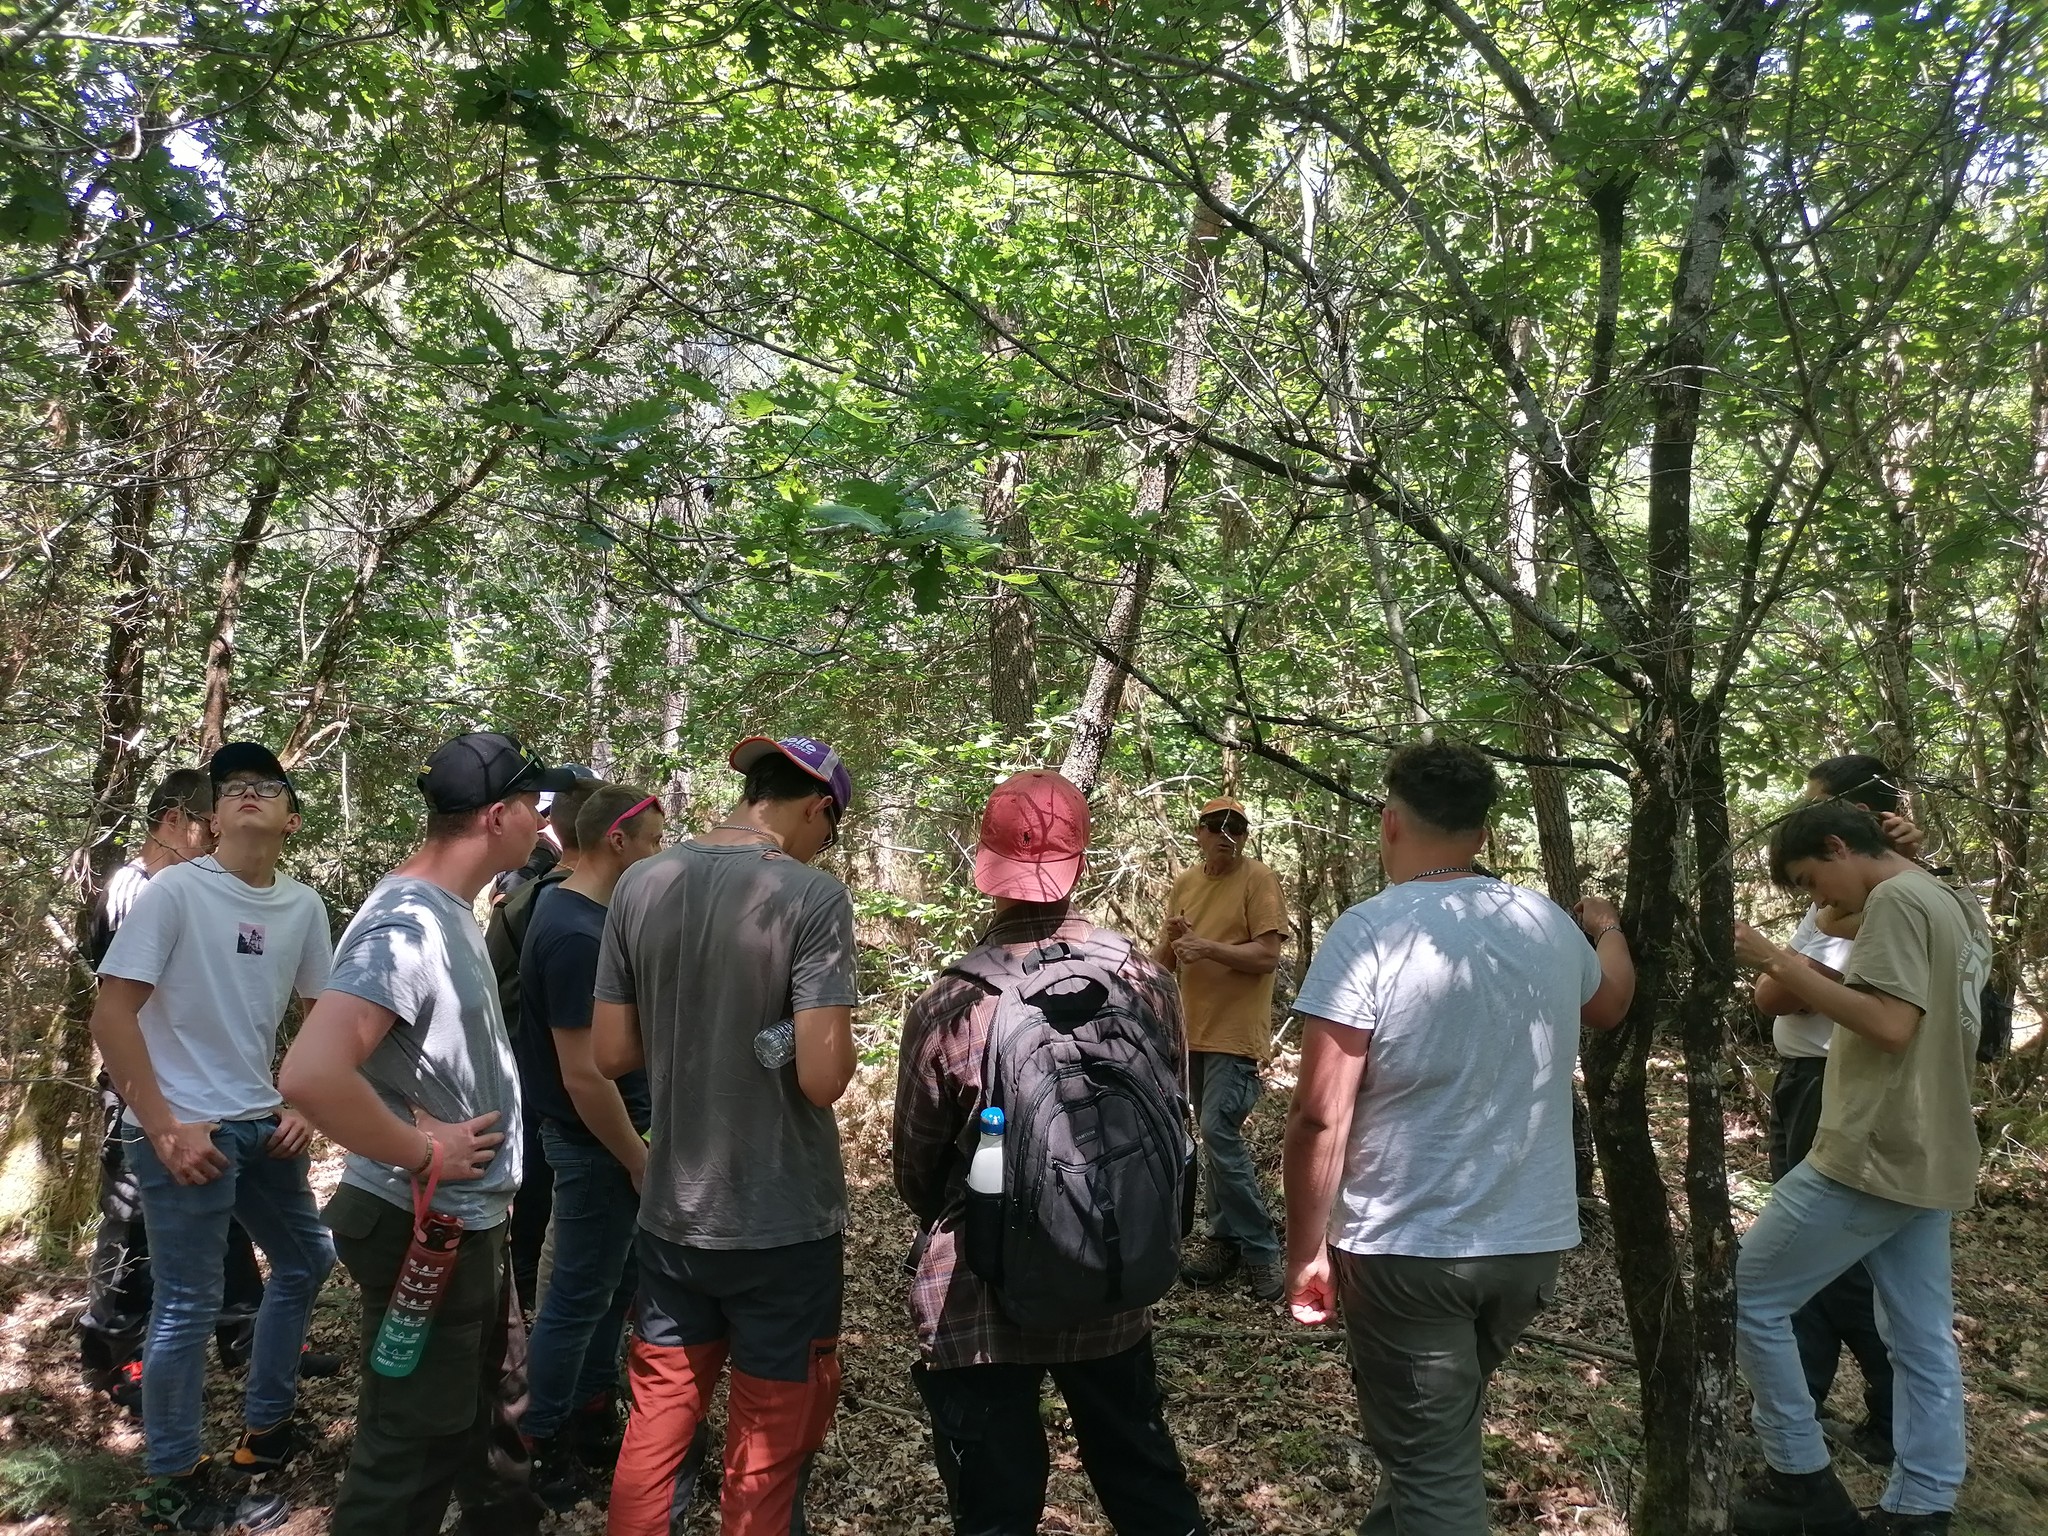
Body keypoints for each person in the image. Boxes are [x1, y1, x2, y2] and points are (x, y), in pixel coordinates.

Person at [1282, 741, 1634, 1536]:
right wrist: (1608, 928)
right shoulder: (1542, 920)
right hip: (1527, 1245)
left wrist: (1306, 1247)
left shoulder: (1371, 930)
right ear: (1480, 833)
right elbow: (1609, 1003)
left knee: (1433, 1461)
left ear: (1391, 821)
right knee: (1430, 1438)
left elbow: (1319, 1113)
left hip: (1409, 1247)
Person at [280, 731, 580, 1536]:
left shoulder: (447, 910)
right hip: (427, 1227)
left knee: (489, 1413)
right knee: (411, 1447)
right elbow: (310, 1074)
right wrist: (423, 1150)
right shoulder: (404, 928)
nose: (543, 824)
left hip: (469, 1223)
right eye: (534, 806)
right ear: (498, 815)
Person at [895, 769, 1209, 1536]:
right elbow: (1174, 1115)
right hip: (1112, 1272)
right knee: (1141, 1474)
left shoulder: (952, 1002)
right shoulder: (1146, 980)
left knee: (995, 1506)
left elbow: (918, 1167)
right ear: (1082, 858)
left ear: (987, 864)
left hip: (983, 1292)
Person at [593, 735, 857, 1536]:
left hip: (674, 1212)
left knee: (658, 1425)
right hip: (781, 1220)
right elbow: (823, 1079)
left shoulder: (643, 880)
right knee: (769, 1444)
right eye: (830, 829)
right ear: (817, 807)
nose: (824, 845)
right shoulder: (811, 898)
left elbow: (611, 1053)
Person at [91, 743, 339, 1534]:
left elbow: (319, 1021)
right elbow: (111, 1017)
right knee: (188, 1305)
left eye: (267, 787)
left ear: (291, 819)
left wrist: (305, 1105)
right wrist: (161, 1125)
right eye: (234, 787)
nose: (249, 795)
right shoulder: (173, 895)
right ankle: (172, 1481)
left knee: (306, 1259)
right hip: (181, 1131)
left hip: (259, 1120)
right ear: (211, 814)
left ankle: (265, 1431)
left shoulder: (303, 906)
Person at [1731, 801, 1990, 1536]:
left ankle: (1802, 1484)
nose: (1821, 903)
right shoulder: (1946, 898)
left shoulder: (1904, 900)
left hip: (1872, 1147)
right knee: (1919, 1336)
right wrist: (1831, 916)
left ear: (1841, 845)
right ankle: (1921, 1510)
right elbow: (1854, 936)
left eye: (1815, 880)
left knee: (1748, 1296)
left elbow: (1887, 1024)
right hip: (1931, 1146)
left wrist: (1776, 959)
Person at [79, 769, 271, 1409]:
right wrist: (152, 1110)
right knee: (132, 1217)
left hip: (210, 1094)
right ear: (171, 822)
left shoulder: (196, 891)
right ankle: (117, 1352)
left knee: (231, 1202)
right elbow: (122, 1006)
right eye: (205, 821)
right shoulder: (137, 892)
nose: (217, 834)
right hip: (145, 1096)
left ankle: (244, 1331)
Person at [1752, 754, 1912, 1467]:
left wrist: (1775, 961)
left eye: (1816, 807)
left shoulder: (1895, 894)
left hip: (1834, 1084)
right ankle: (1808, 1404)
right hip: (1809, 1080)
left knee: (1827, 1264)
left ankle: (1876, 1415)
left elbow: (1866, 1003)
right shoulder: (1846, 897)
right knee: (1821, 1265)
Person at [516, 784, 666, 1505]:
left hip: (615, 1139)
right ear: (619, 841)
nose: (657, 855)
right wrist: (636, 1159)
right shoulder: (575, 931)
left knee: (614, 1286)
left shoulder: (577, 909)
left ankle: (589, 1408)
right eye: (653, 842)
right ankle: (536, 1443)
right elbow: (582, 1074)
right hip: (595, 1144)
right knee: (578, 1296)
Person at [1151, 795, 1289, 1302]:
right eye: (1216, 826)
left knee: (1218, 1131)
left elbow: (1268, 955)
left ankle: (1262, 1247)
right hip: (1191, 1033)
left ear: (1246, 836)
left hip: (1235, 1035)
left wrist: (1208, 947)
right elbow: (1164, 962)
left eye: (1237, 828)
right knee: (1209, 1139)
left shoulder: (1258, 879)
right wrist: (1174, 942)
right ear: (1199, 832)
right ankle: (1223, 1239)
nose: (1226, 836)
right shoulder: (1187, 883)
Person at [487, 767, 601, 1314]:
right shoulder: (549, 894)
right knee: (545, 1179)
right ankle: (533, 1286)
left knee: (536, 1176)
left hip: (522, 1055)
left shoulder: (525, 888)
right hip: (544, 1060)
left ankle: (527, 1282)